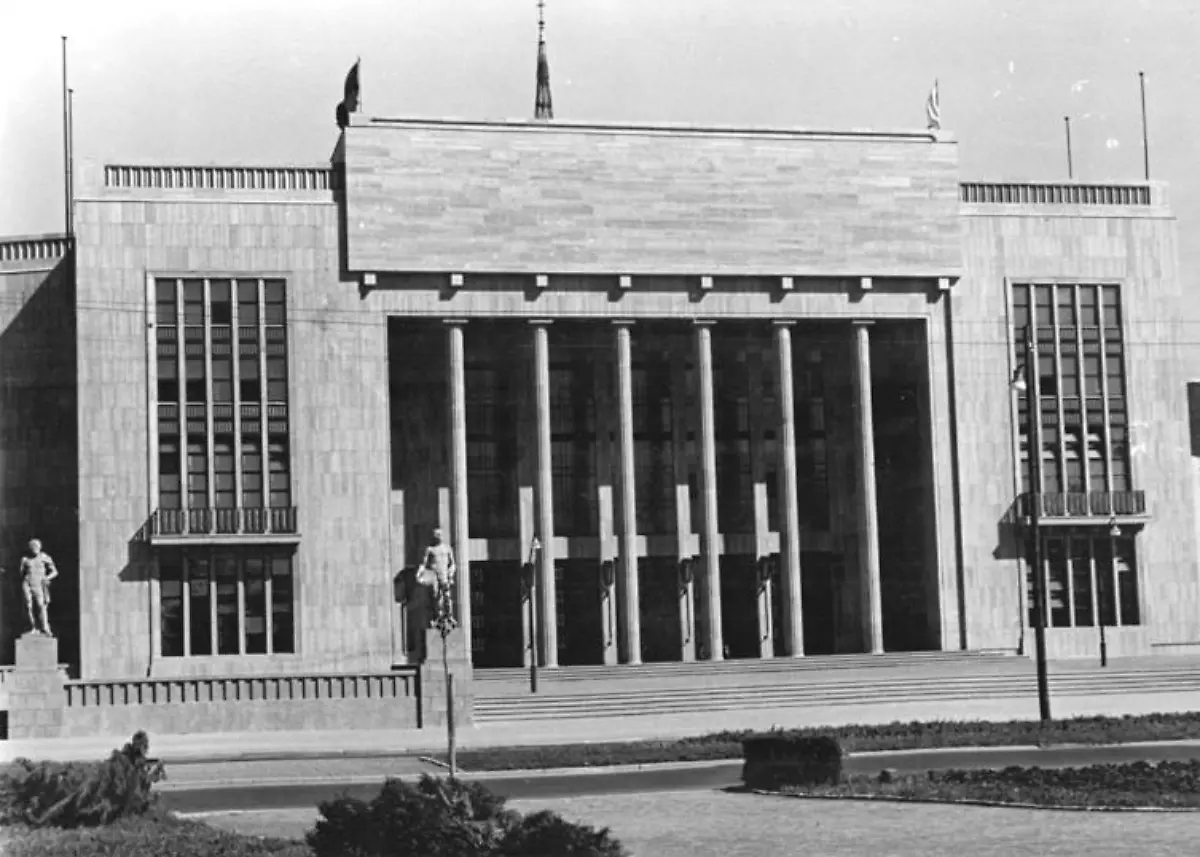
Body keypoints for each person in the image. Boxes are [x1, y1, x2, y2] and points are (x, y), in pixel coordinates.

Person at [20, 539, 58, 636]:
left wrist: (47, 577)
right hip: (27, 583)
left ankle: (44, 627)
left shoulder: (44, 557)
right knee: (28, 606)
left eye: (36, 547)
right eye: (33, 547)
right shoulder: (25, 559)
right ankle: (32, 627)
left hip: (39, 584)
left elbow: (55, 572)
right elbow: (21, 573)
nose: (35, 549)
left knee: (41, 605)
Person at [418, 528, 456, 617]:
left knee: (447, 597)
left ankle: (448, 616)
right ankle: (437, 616)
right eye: (437, 535)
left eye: (440, 535)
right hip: (434, 576)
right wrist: (420, 573)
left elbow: (452, 564)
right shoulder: (430, 549)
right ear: (434, 537)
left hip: (444, 576)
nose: (439, 537)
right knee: (436, 597)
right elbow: (423, 563)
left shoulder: (447, 548)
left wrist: (451, 574)